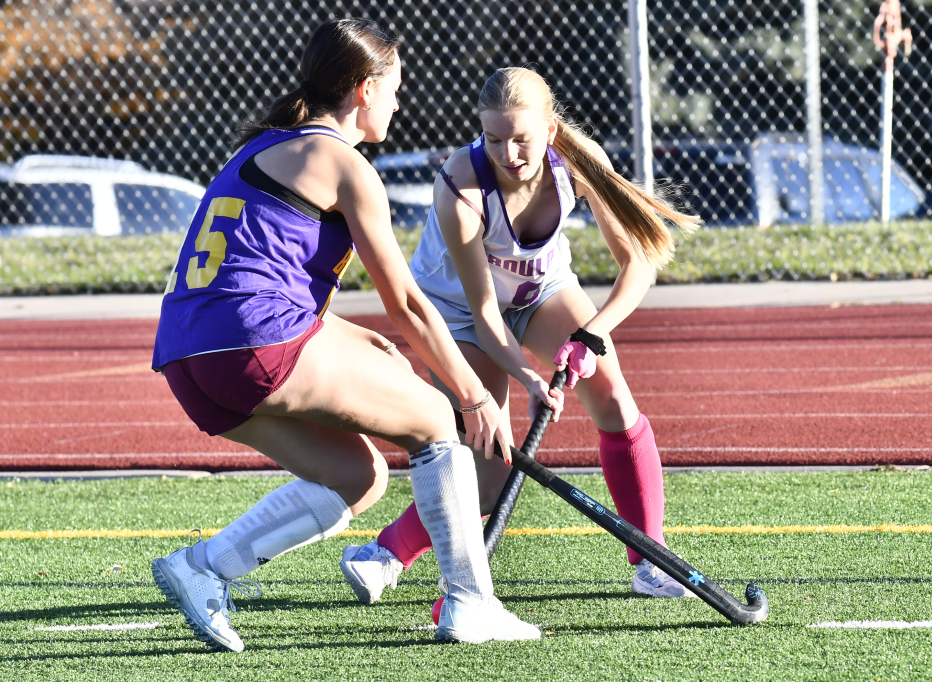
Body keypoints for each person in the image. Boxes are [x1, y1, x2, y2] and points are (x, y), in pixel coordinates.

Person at [149, 21, 540, 652]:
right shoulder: (347, 166)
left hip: (186, 358)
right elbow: (408, 303)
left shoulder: (259, 148)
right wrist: (474, 395)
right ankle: (471, 604)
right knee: (437, 419)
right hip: (253, 343)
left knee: (357, 477)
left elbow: (248, 274)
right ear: (363, 89)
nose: (398, 103)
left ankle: (204, 568)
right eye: (393, 89)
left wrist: (347, 332)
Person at [341, 67, 701, 605]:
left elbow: (638, 265)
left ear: (550, 131)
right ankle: (387, 552)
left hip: (542, 292)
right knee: (489, 473)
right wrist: (531, 378)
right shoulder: (460, 186)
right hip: (459, 313)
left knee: (614, 402)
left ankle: (651, 562)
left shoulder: (579, 161)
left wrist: (592, 335)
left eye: (522, 140)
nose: (508, 153)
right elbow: (486, 315)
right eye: (494, 139)